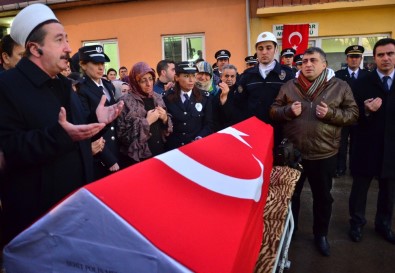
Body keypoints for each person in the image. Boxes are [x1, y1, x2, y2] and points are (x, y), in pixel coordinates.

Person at [0, 3, 124, 248]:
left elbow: (73, 133)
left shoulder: (64, 85)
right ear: (35, 49)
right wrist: (59, 136)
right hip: (38, 224)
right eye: (59, 40)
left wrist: (95, 121)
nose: (68, 48)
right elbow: (9, 149)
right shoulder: (6, 87)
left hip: (75, 213)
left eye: (66, 39)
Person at [270, 47, 359, 256]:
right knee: (291, 196)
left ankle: (321, 235)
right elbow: (273, 111)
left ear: (324, 64)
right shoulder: (289, 86)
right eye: (304, 61)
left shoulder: (340, 86)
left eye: (313, 60)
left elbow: (353, 114)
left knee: (323, 198)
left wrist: (331, 114)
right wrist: (287, 111)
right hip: (294, 154)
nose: (307, 64)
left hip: (324, 154)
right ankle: (290, 233)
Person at [348, 38, 395, 245]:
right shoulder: (361, 84)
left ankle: (383, 224)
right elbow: (351, 117)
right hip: (366, 145)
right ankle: (356, 223)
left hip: (392, 148)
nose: (386, 58)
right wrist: (366, 111)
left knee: (388, 191)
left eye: (390, 54)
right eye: (381, 55)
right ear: (374, 58)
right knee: (360, 189)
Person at [235, 31, 294, 145]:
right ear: (256, 51)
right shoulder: (247, 75)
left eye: (268, 48)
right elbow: (240, 104)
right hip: (254, 133)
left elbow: (292, 103)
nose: (264, 52)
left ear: (276, 49)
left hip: (279, 133)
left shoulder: (287, 74)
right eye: (260, 48)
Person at [77, 45, 121, 179]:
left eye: (102, 63)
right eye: (96, 63)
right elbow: (86, 125)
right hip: (100, 154)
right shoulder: (81, 90)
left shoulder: (108, 85)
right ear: (83, 65)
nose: (101, 67)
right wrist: (108, 158)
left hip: (117, 148)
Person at [117, 62, 172, 167]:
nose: (149, 84)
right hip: (138, 159)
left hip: (159, 152)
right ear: (135, 81)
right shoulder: (125, 102)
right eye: (143, 80)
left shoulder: (157, 97)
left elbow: (167, 127)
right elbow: (123, 136)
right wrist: (147, 122)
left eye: (151, 79)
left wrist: (165, 118)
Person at [334, 45, 369, 178]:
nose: (354, 60)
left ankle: (355, 168)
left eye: (357, 57)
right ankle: (340, 168)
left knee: (358, 144)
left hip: (361, 116)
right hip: (343, 115)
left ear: (361, 59)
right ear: (347, 59)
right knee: (341, 143)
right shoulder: (339, 75)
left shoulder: (368, 75)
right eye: (351, 57)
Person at [163, 61, 213, 150]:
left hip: (196, 148)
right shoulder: (167, 97)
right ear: (176, 77)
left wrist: (200, 137)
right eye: (186, 76)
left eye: (193, 76)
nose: (191, 80)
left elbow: (209, 124)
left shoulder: (205, 97)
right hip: (173, 149)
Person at [212, 64, 242, 131]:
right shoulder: (215, 91)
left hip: (238, 129)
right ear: (221, 77)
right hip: (222, 130)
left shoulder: (241, 92)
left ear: (236, 77)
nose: (229, 79)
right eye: (226, 76)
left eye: (232, 76)